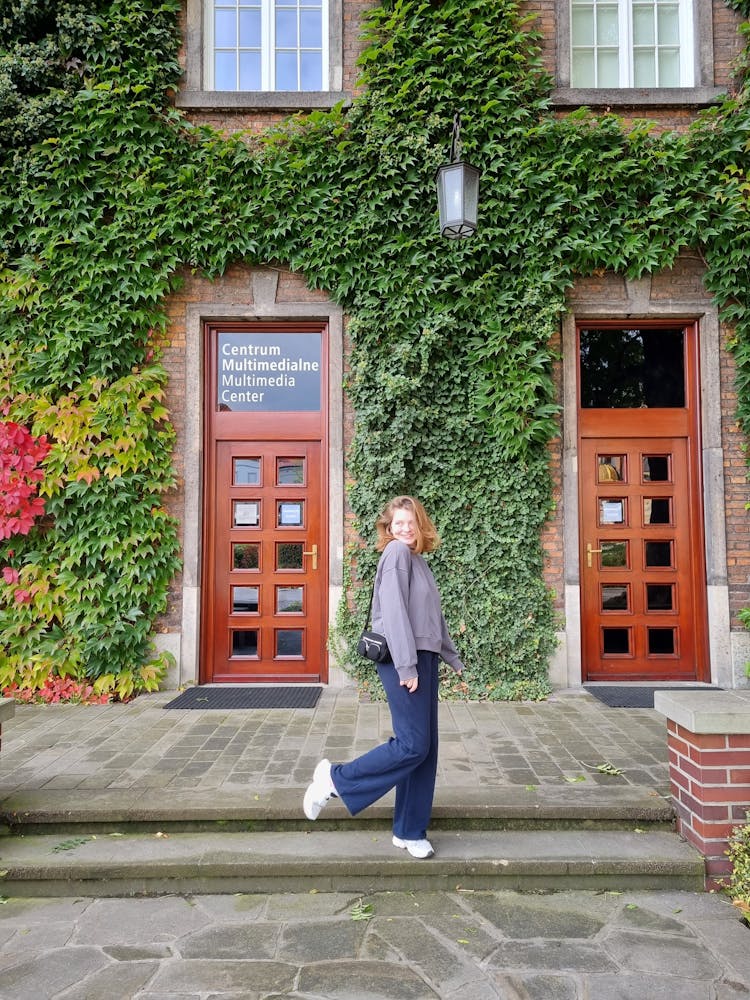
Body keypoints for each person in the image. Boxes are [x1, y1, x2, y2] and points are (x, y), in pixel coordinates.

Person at [303, 495, 465, 858]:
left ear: (420, 524)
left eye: (411, 522)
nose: (405, 528)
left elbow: (431, 620)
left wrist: (451, 658)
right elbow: (393, 615)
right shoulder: (395, 555)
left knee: (425, 750)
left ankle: (409, 830)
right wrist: (408, 667)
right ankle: (334, 779)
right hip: (402, 659)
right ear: (388, 528)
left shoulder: (417, 560)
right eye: (398, 523)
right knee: (412, 744)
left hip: (421, 658)